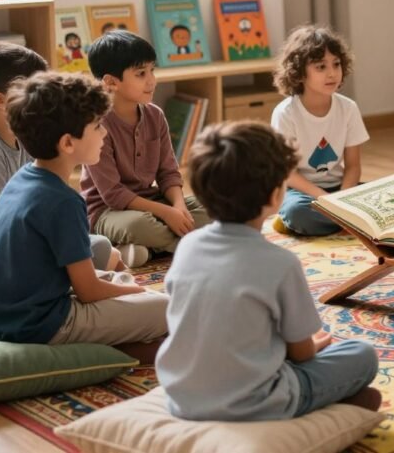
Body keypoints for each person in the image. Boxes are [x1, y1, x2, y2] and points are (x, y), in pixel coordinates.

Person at [156, 121, 380, 421]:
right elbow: (302, 353)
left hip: (181, 394)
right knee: (362, 356)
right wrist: (308, 348)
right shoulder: (281, 264)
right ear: (277, 197)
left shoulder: (187, 246)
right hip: (256, 399)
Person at [0, 72, 168, 353]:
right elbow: (88, 292)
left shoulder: (23, 178)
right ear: (67, 143)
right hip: (42, 324)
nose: (105, 133)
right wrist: (137, 291)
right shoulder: (63, 201)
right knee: (166, 307)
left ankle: (124, 297)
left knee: (104, 252)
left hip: (2, 312)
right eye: (98, 126)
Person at [0, 44, 120, 271]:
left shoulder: (28, 134)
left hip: (19, 229)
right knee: (88, 254)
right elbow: (1, 225)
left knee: (101, 248)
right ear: (0, 100)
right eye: (32, 89)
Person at [81, 30, 210, 267]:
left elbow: (168, 173)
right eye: (141, 74)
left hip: (151, 201)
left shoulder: (155, 116)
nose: (152, 80)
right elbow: (113, 195)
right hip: (107, 212)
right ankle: (193, 245)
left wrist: (178, 207)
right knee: (139, 226)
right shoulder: (97, 124)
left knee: (209, 208)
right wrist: (166, 213)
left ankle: (145, 252)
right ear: (111, 82)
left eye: (152, 70)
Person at [270, 25, 368, 236]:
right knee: (298, 212)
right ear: (299, 72)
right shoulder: (285, 114)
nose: (332, 73)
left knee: (385, 200)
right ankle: (342, 224)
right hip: (301, 193)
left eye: (336, 64)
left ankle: (339, 222)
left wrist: (343, 198)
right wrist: (326, 200)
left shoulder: (348, 108)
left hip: (341, 188)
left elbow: (353, 165)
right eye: (321, 67)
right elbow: (288, 173)